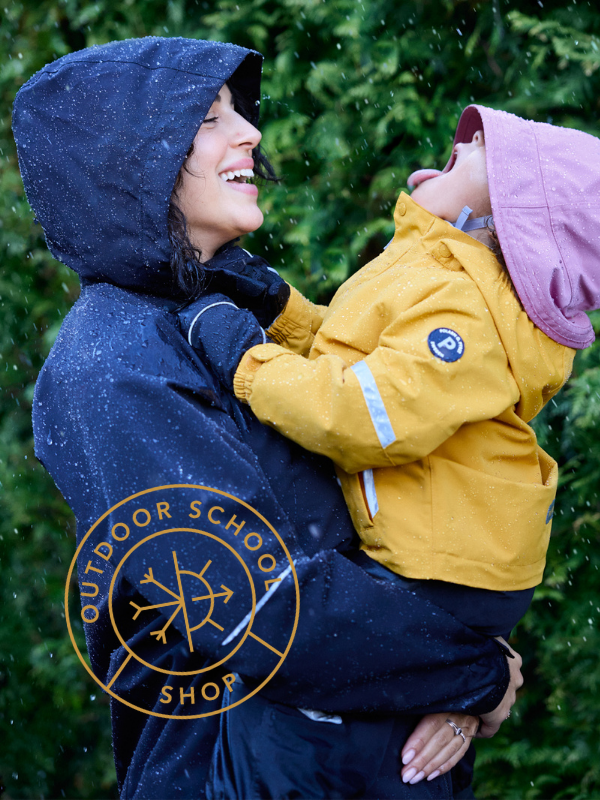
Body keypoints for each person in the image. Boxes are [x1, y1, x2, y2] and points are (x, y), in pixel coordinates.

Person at [12, 37, 521, 799]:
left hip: (357, 764)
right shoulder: (108, 365)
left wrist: (460, 675)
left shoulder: (234, 308)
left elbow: (415, 496)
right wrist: (474, 673)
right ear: (127, 160)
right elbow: (256, 604)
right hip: (226, 774)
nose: (249, 131)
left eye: (237, 113)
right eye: (206, 119)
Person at [182, 106, 600, 637]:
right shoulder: (442, 274)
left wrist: (246, 358)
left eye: (463, 167)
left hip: (444, 573)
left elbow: (363, 415)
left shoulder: (467, 308)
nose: (433, 168)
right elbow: (362, 358)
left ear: (502, 227)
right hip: (435, 559)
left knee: (297, 661)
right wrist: (280, 311)